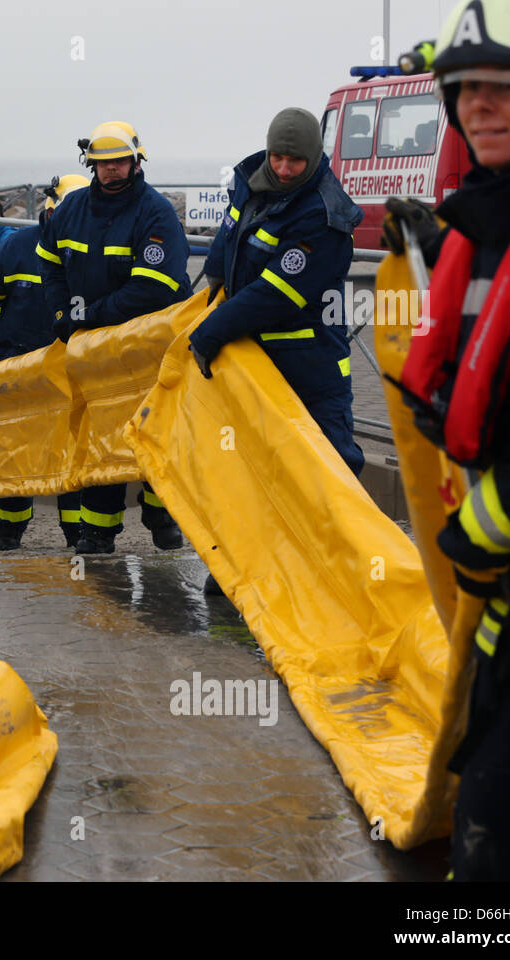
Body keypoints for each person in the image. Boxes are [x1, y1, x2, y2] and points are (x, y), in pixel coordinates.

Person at [386, 0, 510, 881]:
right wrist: (431, 253)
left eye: (509, 87)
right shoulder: (501, 222)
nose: (479, 107)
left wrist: (468, 540)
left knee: (506, 846)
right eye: (467, 88)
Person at [188, 107, 366, 595]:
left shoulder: (325, 215)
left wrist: (209, 331)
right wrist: (219, 276)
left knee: (327, 472)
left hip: (311, 370)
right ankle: (240, 575)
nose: (285, 169)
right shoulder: (250, 181)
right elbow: (228, 236)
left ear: (314, 158)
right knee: (246, 466)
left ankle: (341, 583)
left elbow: (276, 292)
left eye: (295, 161)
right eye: (279, 158)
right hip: (255, 362)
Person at [38, 120, 192, 555]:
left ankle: (161, 512)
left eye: (119, 161)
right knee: (100, 434)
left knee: (156, 430)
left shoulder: (155, 212)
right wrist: (60, 312)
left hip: (148, 347)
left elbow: (154, 287)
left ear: (136, 161)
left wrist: (89, 317)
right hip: (94, 349)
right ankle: (97, 534)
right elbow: (49, 265)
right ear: (91, 166)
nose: (111, 170)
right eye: (102, 163)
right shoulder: (70, 210)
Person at [0, 174, 90, 550]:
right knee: (16, 453)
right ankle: (9, 531)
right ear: (50, 212)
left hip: (71, 372)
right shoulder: (16, 246)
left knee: (72, 454)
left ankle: (78, 535)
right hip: (19, 369)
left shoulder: (89, 250)